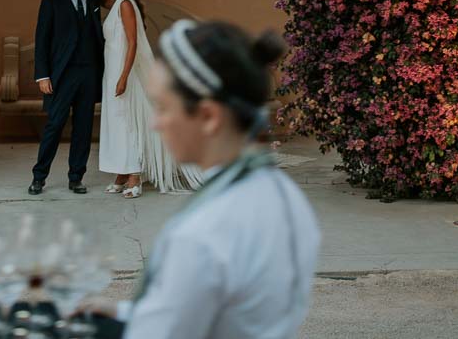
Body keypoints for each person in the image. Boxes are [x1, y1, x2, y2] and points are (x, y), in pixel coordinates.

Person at [118, 20, 320, 339]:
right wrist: (118, 314)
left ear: (209, 116)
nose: (155, 124)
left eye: (162, 107)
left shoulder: (203, 234)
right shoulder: (283, 194)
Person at [98, 0, 201, 197]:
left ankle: (135, 175)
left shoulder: (126, 5)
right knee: (117, 121)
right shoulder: (118, 3)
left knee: (129, 122)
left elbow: (133, 42)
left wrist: (124, 76)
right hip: (112, 71)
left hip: (125, 72)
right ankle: (122, 171)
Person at [29, 0, 105, 195]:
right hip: (62, 76)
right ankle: (39, 177)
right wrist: (43, 75)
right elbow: (42, 40)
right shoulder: (51, 0)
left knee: (83, 128)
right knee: (54, 126)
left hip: (89, 74)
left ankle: (76, 177)